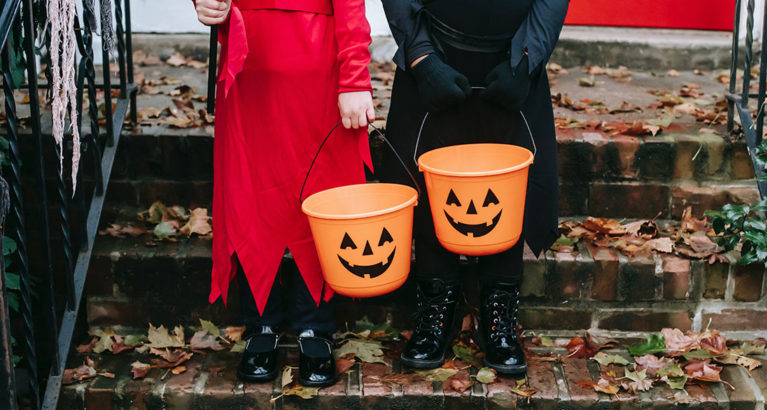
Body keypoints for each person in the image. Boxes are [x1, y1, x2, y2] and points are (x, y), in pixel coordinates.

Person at [379, 0, 569, 375]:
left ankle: (498, 318)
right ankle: (436, 311)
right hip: (433, 53)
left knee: (507, 183)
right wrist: (420, 56)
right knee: (427, 181)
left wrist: (527, 59)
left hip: (512, 59)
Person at [193, 0, 375, 385]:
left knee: (321, 188)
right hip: (250, 66)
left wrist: (355, 78)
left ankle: (316, 325)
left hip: (319, 64)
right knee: (251, 189)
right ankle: (261, 322)